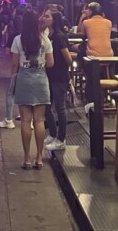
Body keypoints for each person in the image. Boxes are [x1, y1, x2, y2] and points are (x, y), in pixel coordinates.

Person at [9, 9, 54, 170]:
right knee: (39, 120)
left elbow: (14, 63)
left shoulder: (17, 40)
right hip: (41, 80)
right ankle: (39, 157)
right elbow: (51, 63)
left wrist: (13, 78)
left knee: (25, 121)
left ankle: (27, 158)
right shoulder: (45, 40)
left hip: (24, 79)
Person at [44, 11, 73, 151]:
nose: (44, 18)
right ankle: (52, 134)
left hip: (59, 76)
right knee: (47, 106)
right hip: (49, 75)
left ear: (54, 20)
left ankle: (61, 139)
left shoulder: (59, 37)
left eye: (47, 16)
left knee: (60, 108)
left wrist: (62, 67)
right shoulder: (49, 36)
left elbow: (68, 59)